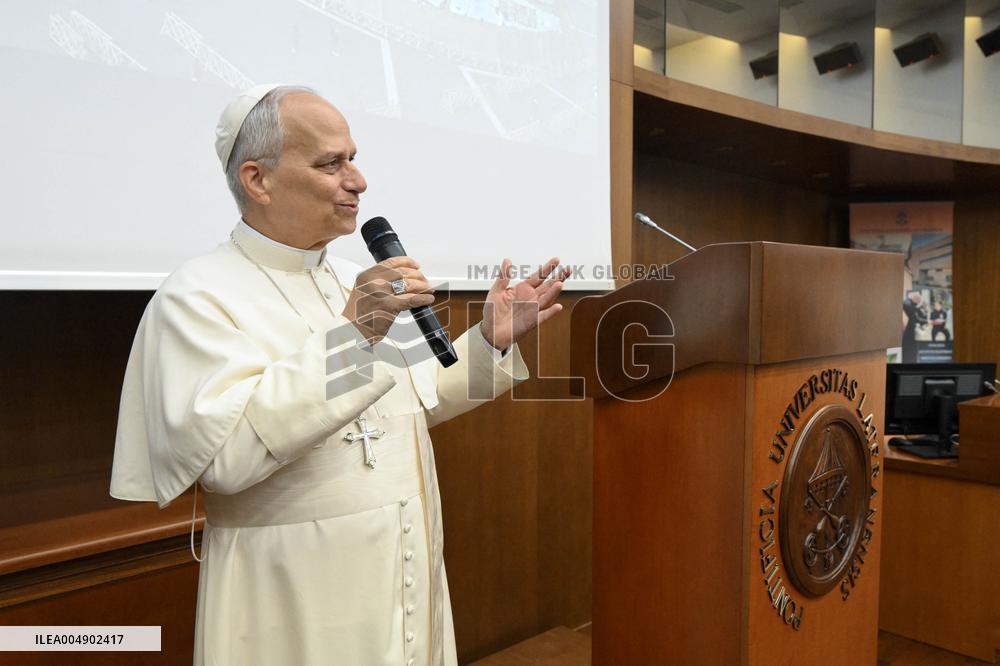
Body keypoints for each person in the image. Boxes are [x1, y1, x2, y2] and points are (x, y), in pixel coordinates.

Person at [109, 84, 568, 665]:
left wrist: (488, 342)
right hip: (291, 595)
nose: (358, 180)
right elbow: (225, 459)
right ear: (258, 179)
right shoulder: (197, 295)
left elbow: (415, 403)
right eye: (331, 163)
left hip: (404, 566)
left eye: (353, 158)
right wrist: (355, 333)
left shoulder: (352, 277)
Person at [902, 291, 928, 363]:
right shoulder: (907, 304)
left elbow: (920, 316)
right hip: (909, 334)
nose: (919, 301)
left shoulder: (911, 304)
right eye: (919, 300)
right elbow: (915, 318)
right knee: (909, 354)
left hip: (912, 334)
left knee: (912, 354)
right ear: (916, 298)